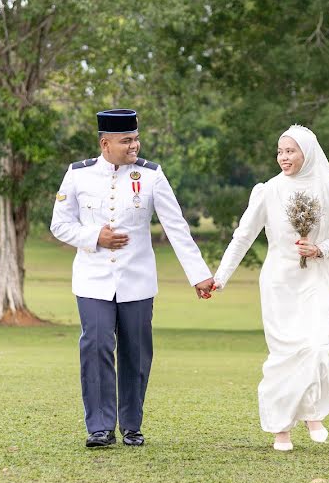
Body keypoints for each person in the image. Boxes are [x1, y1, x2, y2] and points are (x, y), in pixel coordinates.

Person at [50, 108, 215, 448]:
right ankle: (99, 426)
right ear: (104, 142)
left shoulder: (152, 176)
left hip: (137, 280)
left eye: (136, 139)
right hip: (93, 279)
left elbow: (176, 227)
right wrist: (95, 236)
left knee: (135, 353)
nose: (134, 146)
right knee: (95, 345)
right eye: (126, 140)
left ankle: (131, 425)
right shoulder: (78, 175)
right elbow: (60, 224)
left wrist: (199, 275)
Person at [213, 125, 329, 451]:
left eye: (290, 151)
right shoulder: (269, 191)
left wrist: (319, 249)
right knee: (285, 355)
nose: (283, 157)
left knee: (317, 347)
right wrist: (221, 276)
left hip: (318, 278)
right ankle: (281, 430)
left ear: (307, 153)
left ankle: (312, 412)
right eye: (280, 151)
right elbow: (243, 236)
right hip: (279, 283)